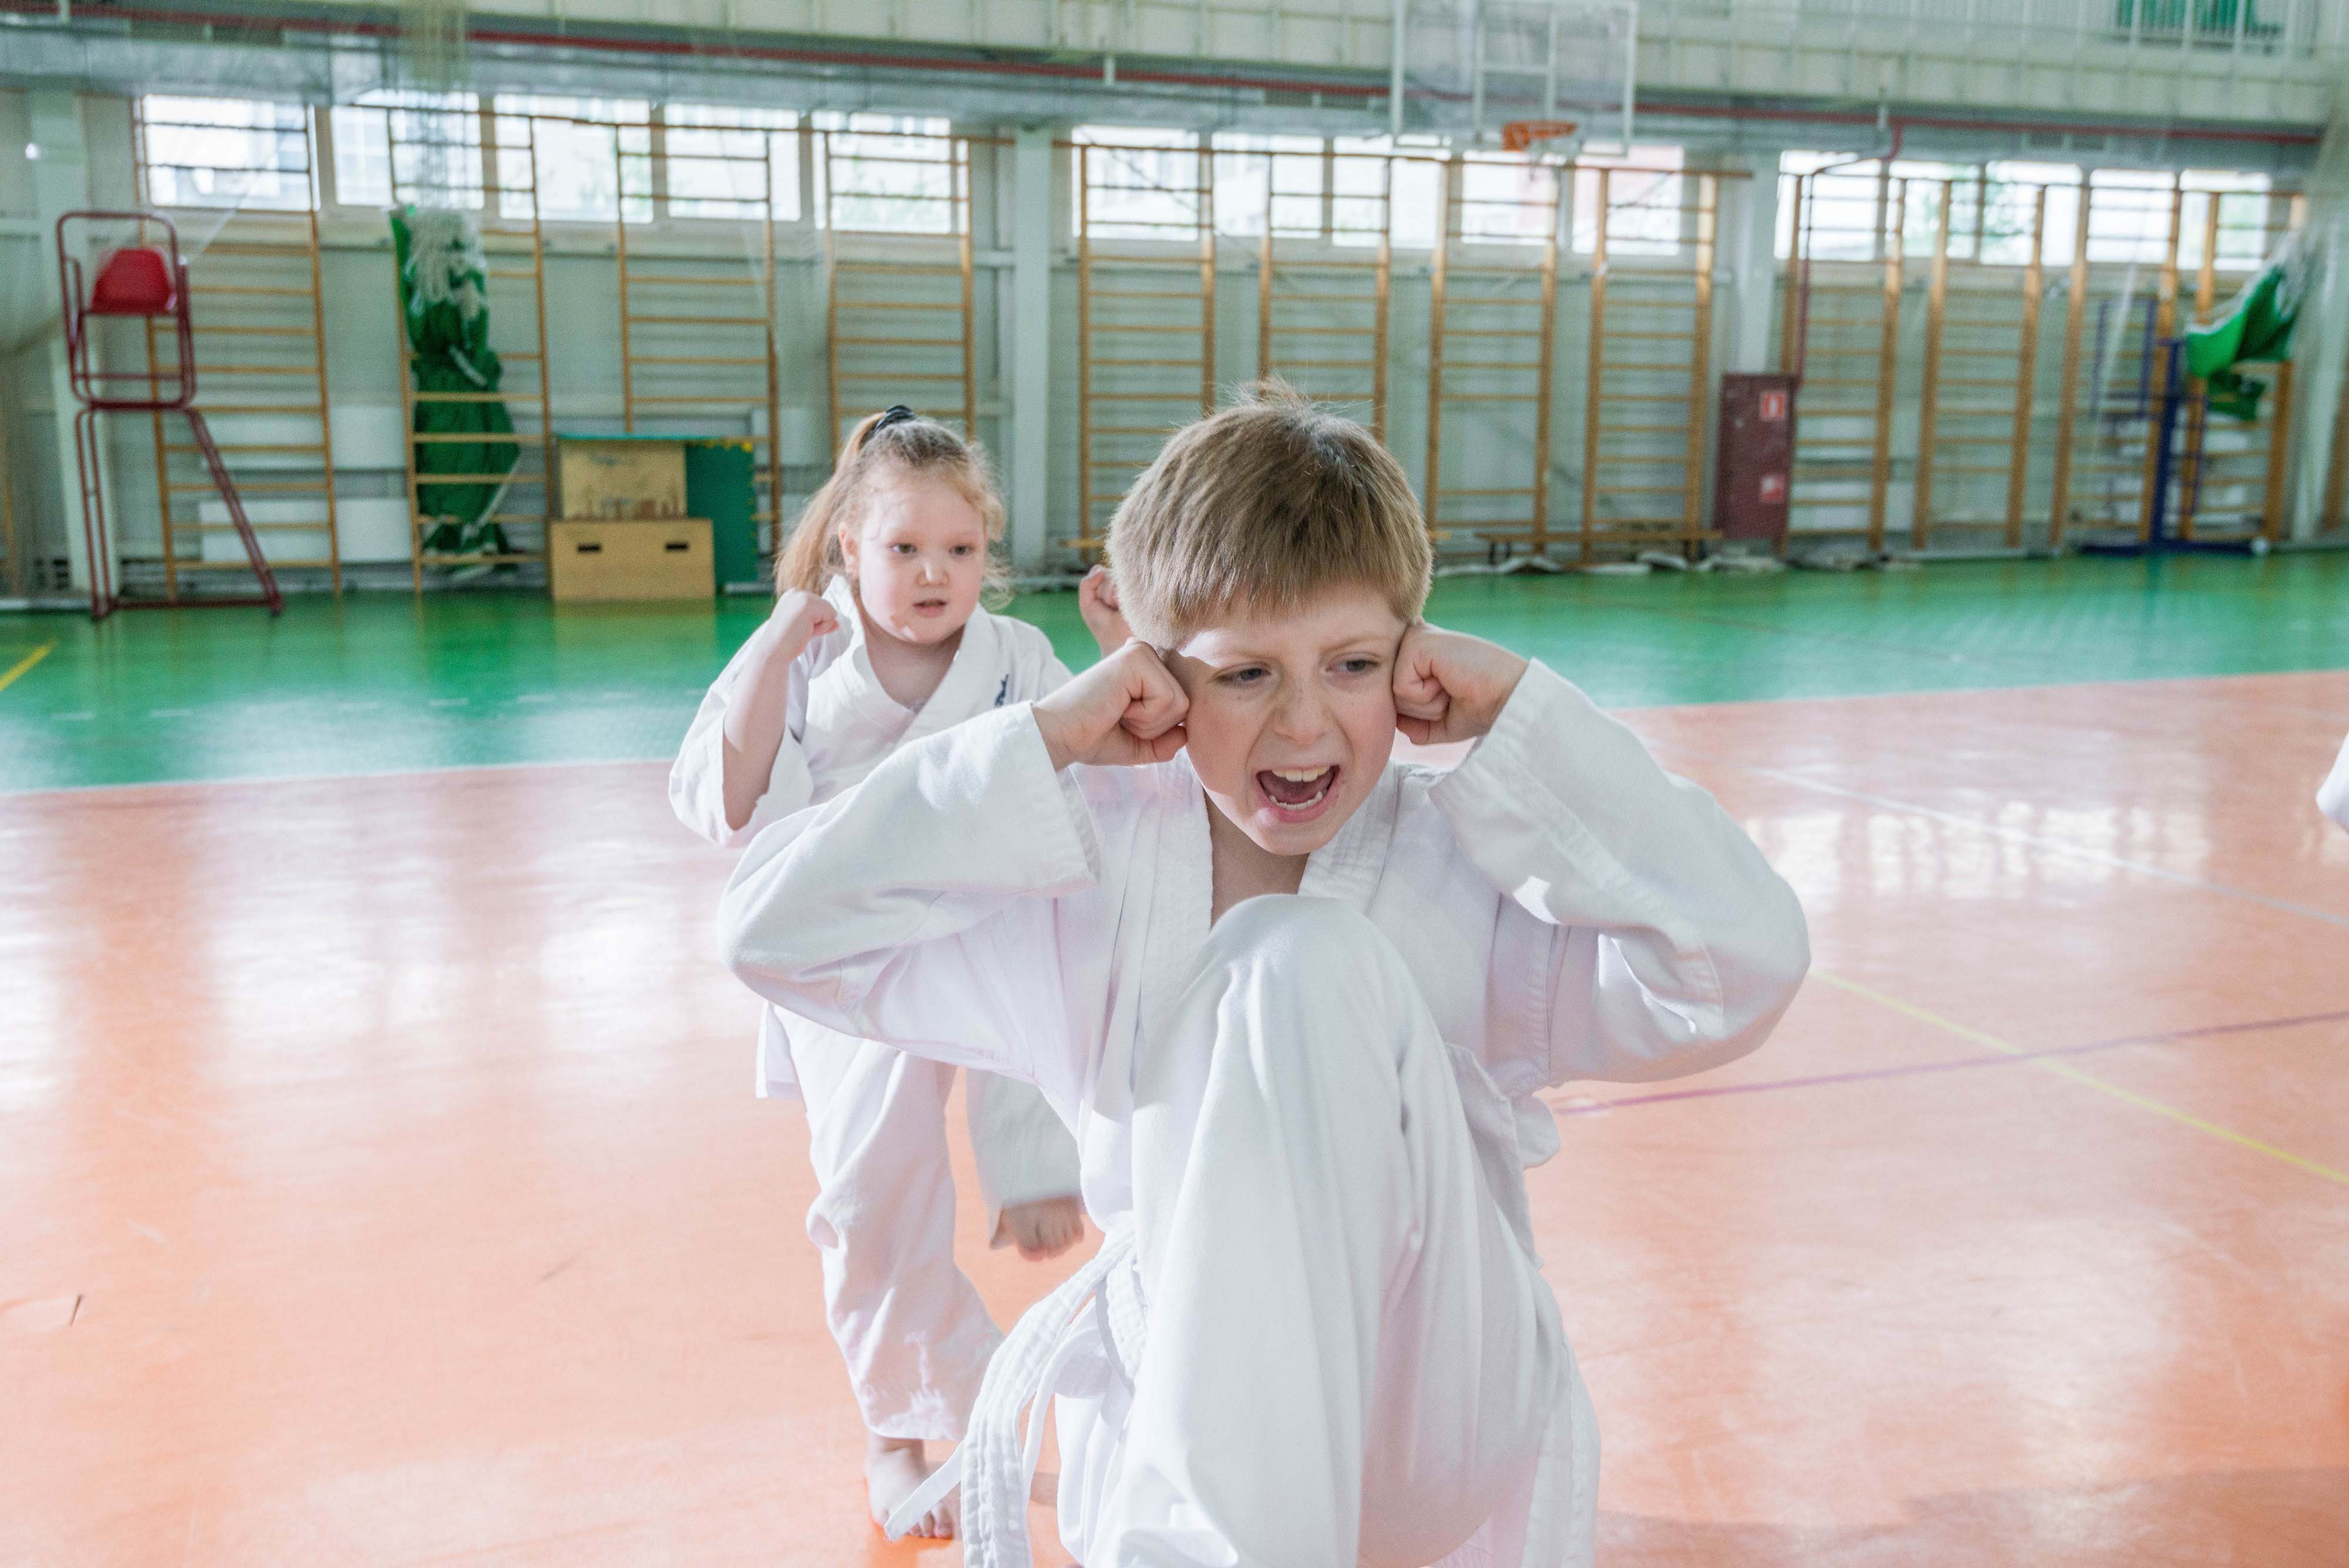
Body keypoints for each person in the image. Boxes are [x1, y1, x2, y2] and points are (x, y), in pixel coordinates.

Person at [718, 386, 1810, 1567]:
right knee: (1277, 966)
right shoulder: (1084, 865)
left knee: (1294, 960)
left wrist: (1528, 725)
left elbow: (1739, 967)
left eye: (1350, 663)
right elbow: (771, 931)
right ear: (1149, 664)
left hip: (1435, 1399)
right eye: (1243, 674)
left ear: (1413, 657)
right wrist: (1039, 744)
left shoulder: (1460, 859)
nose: (1302, 725)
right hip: (1178, 1412)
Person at [671, 406, 1112, 1539]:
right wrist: (772, 647)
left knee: (1120, 1078)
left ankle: (1126, 1368)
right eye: (904, 548)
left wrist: (1124, 645)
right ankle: (899, 1424)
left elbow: (1107, 768)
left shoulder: (1014, 656)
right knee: (870, 1194)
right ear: (846, 554)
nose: (934, 573)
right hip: (850, 955)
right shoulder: (808, 655)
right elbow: (728, 803)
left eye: (960, 551)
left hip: (983, 935)